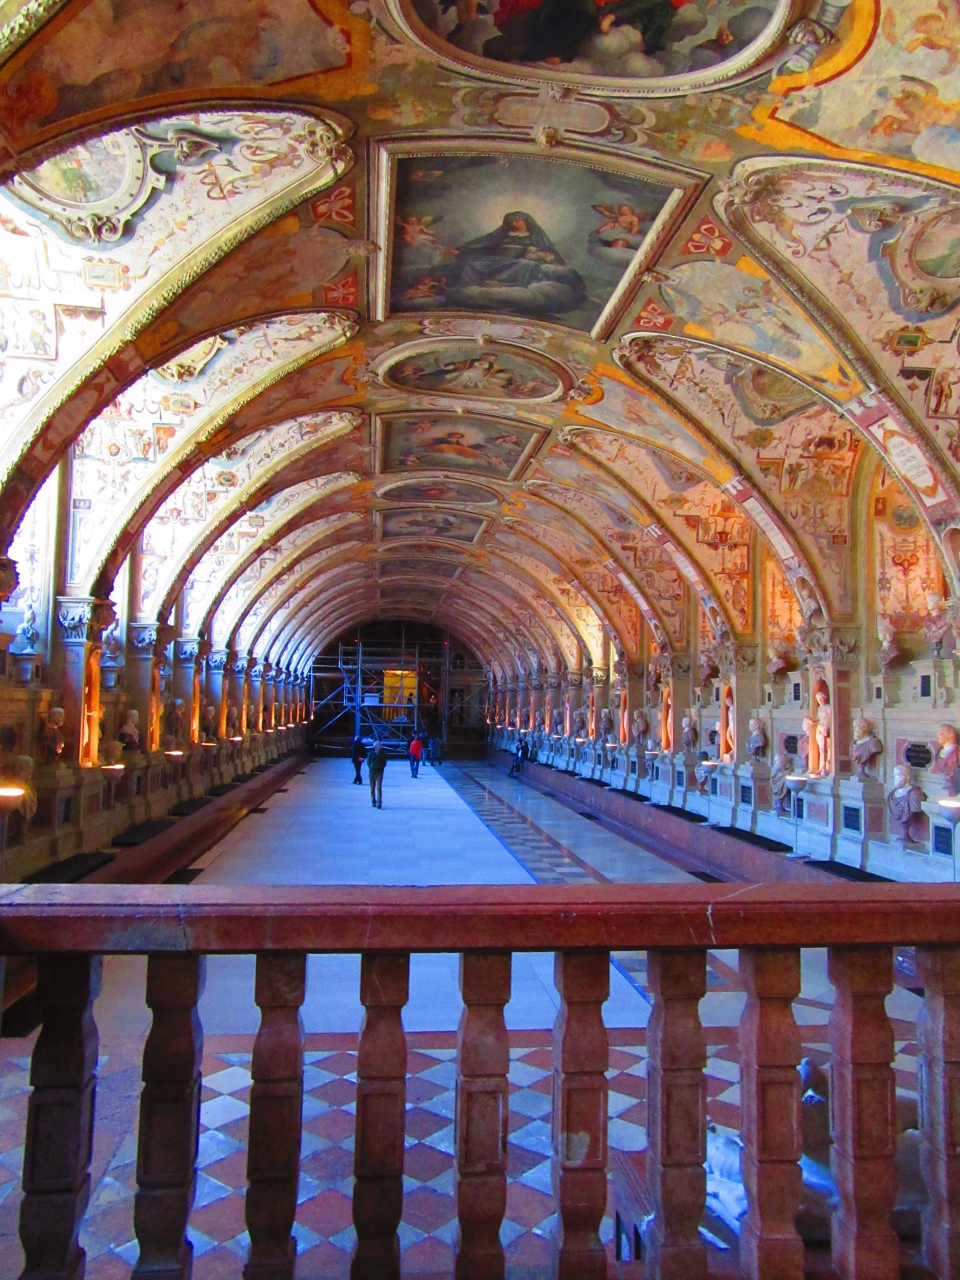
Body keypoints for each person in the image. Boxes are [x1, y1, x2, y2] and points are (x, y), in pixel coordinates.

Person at [367, 739, 387, 809]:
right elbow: (368, 763)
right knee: (372, 787)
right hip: (372, 772)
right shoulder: (371, 753)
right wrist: (372, 767)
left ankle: (379, 803)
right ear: (375, 746)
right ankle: (373, 801)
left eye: (380, 745)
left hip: (379, 772)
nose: (380, 746)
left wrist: (381, 767)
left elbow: (384, 762)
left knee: (379, 788)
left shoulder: (382, 754)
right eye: (379, 745)